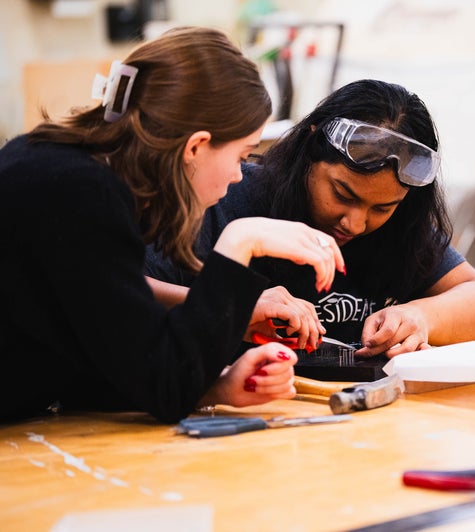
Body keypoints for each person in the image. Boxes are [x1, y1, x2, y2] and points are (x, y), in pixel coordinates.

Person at [0, 27, 344, 424]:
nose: (238, 175)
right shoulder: (82, 193)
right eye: (242, 155)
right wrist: (241, 240)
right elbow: (164, 385)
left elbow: (106, 356)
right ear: (196, 147)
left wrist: (215, 385)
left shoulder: (53, 164)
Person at [145, 79, 475, 358]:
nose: (355, 224)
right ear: (310, 150)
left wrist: (422, 317)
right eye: (343, 194)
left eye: (382, 208)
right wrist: (232, 305)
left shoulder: (402, 225)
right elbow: (123, 292)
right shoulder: (227, 197)